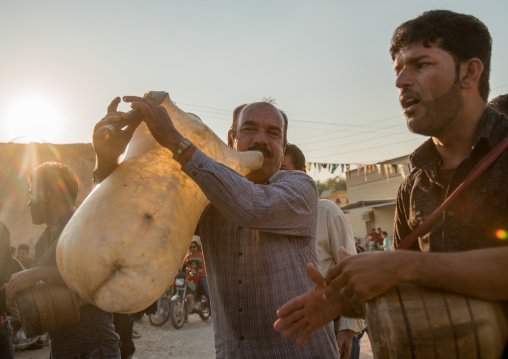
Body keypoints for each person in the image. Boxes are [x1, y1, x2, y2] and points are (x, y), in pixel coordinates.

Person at [274, 10, 508, 349]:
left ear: (469, 72)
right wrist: (346, 299)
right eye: (398, 69)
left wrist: (402, 265)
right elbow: (407, 287)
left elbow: (406, 269)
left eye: (421, 65)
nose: (400, 81)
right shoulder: (413, 185)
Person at [93, 97, 340, 358]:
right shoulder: (205, 193)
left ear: (283, 147)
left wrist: (176, 142)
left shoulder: (300, 187)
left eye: (273, 133)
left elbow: (253, 208)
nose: (261, 139)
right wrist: (107, 161)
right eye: (249, 129)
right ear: (231, 139)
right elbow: (136, 212)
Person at [4, 162, 120, 359]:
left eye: (32, 193)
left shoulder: (84, 226)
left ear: (47, 194)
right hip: (61, 351)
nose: (29, 202)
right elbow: (45, 295)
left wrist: (37, 273)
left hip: (94, 349)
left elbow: (93, 276)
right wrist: (19, 304)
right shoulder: (42, 242)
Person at [281, 143, 364, 358]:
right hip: (297, 327)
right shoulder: (272, 219)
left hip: (333, 323)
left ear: (303, 175)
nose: (277, 179)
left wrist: (347, 330)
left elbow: (350, 271)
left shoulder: (326, 212)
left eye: (284, 171)